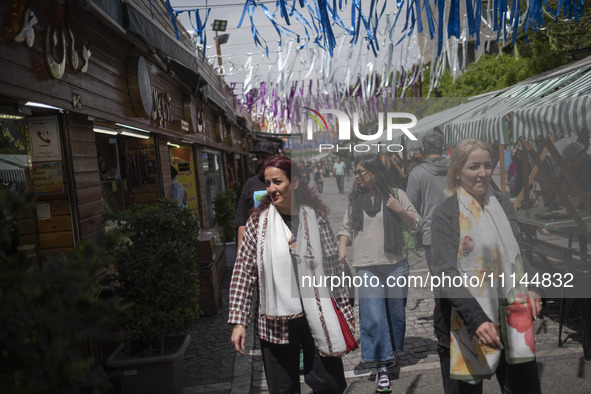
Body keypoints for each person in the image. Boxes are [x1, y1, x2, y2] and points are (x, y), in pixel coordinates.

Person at [229, 156, 354, 393]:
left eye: (277, 181)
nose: (272, 189)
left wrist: (346, 312)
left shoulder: (314, 217)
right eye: (267, 183)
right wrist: (239, 321)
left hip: (317, 311)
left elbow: (332, 268)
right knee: (283, 387)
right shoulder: (258, 221)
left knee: (329, 384)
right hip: (276, 317)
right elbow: (244, 270)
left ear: (294, 182)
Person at [431, 139, 542, 394]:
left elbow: (518, 252)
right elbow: (445, 274)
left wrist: (533, 286)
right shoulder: (446, 213)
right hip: (463, 320)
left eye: (487, 165)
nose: (482, 173)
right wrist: (478, 319)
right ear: (457, 171)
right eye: (474, 167)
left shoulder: (501, 204)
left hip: (513, 315)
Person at [337, 155, 421, 393]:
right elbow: (346, 228)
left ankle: (391, 350)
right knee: (373, 315)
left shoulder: (397, 195)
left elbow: (417, 224)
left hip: (395, 263)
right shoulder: (355, 200)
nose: (357, 177)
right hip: (366, 265)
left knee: (395, 313)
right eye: (356, 173)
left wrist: (399, 210)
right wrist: (343, 246)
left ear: (374, 173)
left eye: (360, 172)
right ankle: (382, 367)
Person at [405, 132, 450, 286]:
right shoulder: (456, 169)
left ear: (423, 149)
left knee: (440, 284)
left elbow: (410, 204)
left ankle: (443, 310)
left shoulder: (417, 173)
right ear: (443, 148)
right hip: (460, 231)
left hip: (432, 234)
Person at [234, 141, 280, 249]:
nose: (259, 162)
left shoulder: (288, 180)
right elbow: (242, 223)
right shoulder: (251, 184)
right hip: (257, 249)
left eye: (264, 157)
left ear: (276, 157)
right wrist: (240, 256)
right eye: (257, 158)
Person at [561, 141, 591, 208]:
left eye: (572, 161)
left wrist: (581, 198)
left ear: (581, 155)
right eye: (567, 162)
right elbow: (565, 187)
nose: (570, 164)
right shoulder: (572, 169)